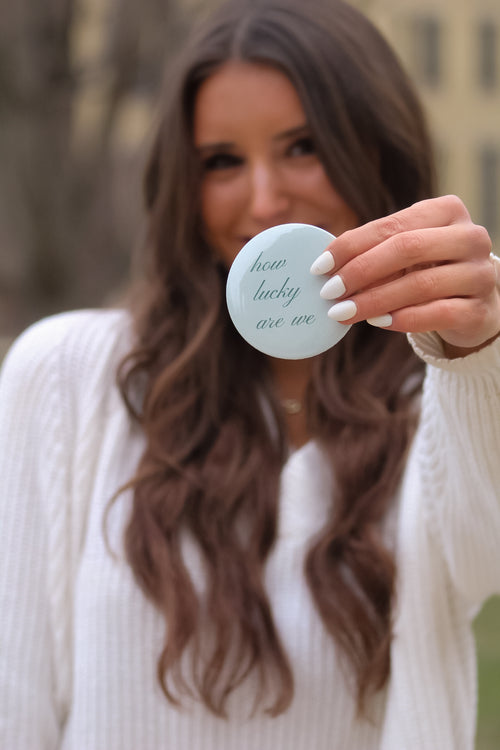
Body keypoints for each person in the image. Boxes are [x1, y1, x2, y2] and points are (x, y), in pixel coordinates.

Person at [0, 0, 499, 748]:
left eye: (302, 147)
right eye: (222, 161)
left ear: (378, 155)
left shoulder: (441, 394)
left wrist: (476, 354)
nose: (264, 201)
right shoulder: (69, 375)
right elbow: (12, 700)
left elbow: (485, 553)